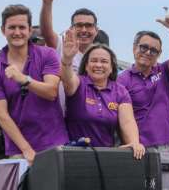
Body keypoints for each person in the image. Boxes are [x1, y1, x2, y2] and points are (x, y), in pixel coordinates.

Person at [0, 4, 69, 165]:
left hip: (54, 143)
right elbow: (2, 116)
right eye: (12, 27)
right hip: (19, 151)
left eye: (22, 27)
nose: (17, 32)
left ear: (30, 30)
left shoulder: (47, 54)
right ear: (3, 30)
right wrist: (26, 149)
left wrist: (23, 79)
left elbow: (51, 92)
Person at [117, 14, 169, 188]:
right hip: (137, 148)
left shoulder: (164, 72)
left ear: (159, 54)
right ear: (134, 48)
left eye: (154, 50)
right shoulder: (122, 79)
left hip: (165, 148)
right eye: (143, 47)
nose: (148, 52)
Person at [61, 28, 145, 159]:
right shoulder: (78, 83)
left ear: (112, 68)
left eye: (104, 61)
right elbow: (67, 81)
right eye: (94, 60)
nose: (98, 65)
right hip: (74, 156)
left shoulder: (120, 91)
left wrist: (134, 142)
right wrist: (66, 60)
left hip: (106, 157)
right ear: (86, 65)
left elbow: (128, 121)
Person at [33, 0, 98, 71]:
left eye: (89, 26)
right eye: (79, 25)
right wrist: (47, 3)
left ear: (96, 30)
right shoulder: (63, 45)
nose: (84, 30)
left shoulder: (100, 57)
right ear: (71, 29)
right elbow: (47, 32)